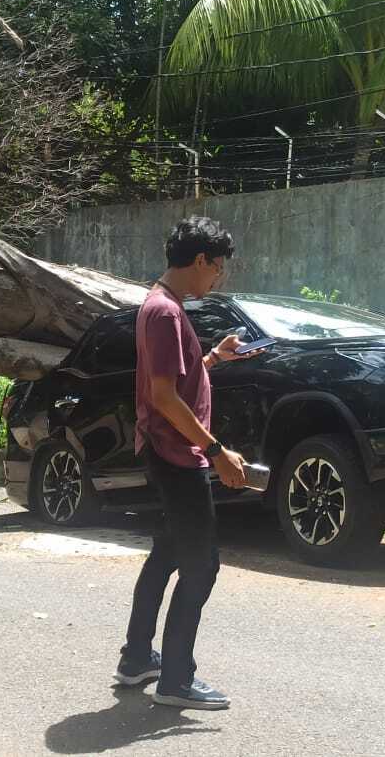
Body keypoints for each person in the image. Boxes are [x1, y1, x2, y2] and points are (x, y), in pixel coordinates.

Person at [114, 215, 258, 711]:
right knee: (202, 567)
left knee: (167, 554)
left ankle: (137, 659)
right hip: (178, 454)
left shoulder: (161, 305)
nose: (216, 279)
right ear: (201, 260)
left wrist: (213, 358)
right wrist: (217, 451)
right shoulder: (166, 313)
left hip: (165, 449)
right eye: (217, 269)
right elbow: (165, 398)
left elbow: (172, 377)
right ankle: (176, 680)